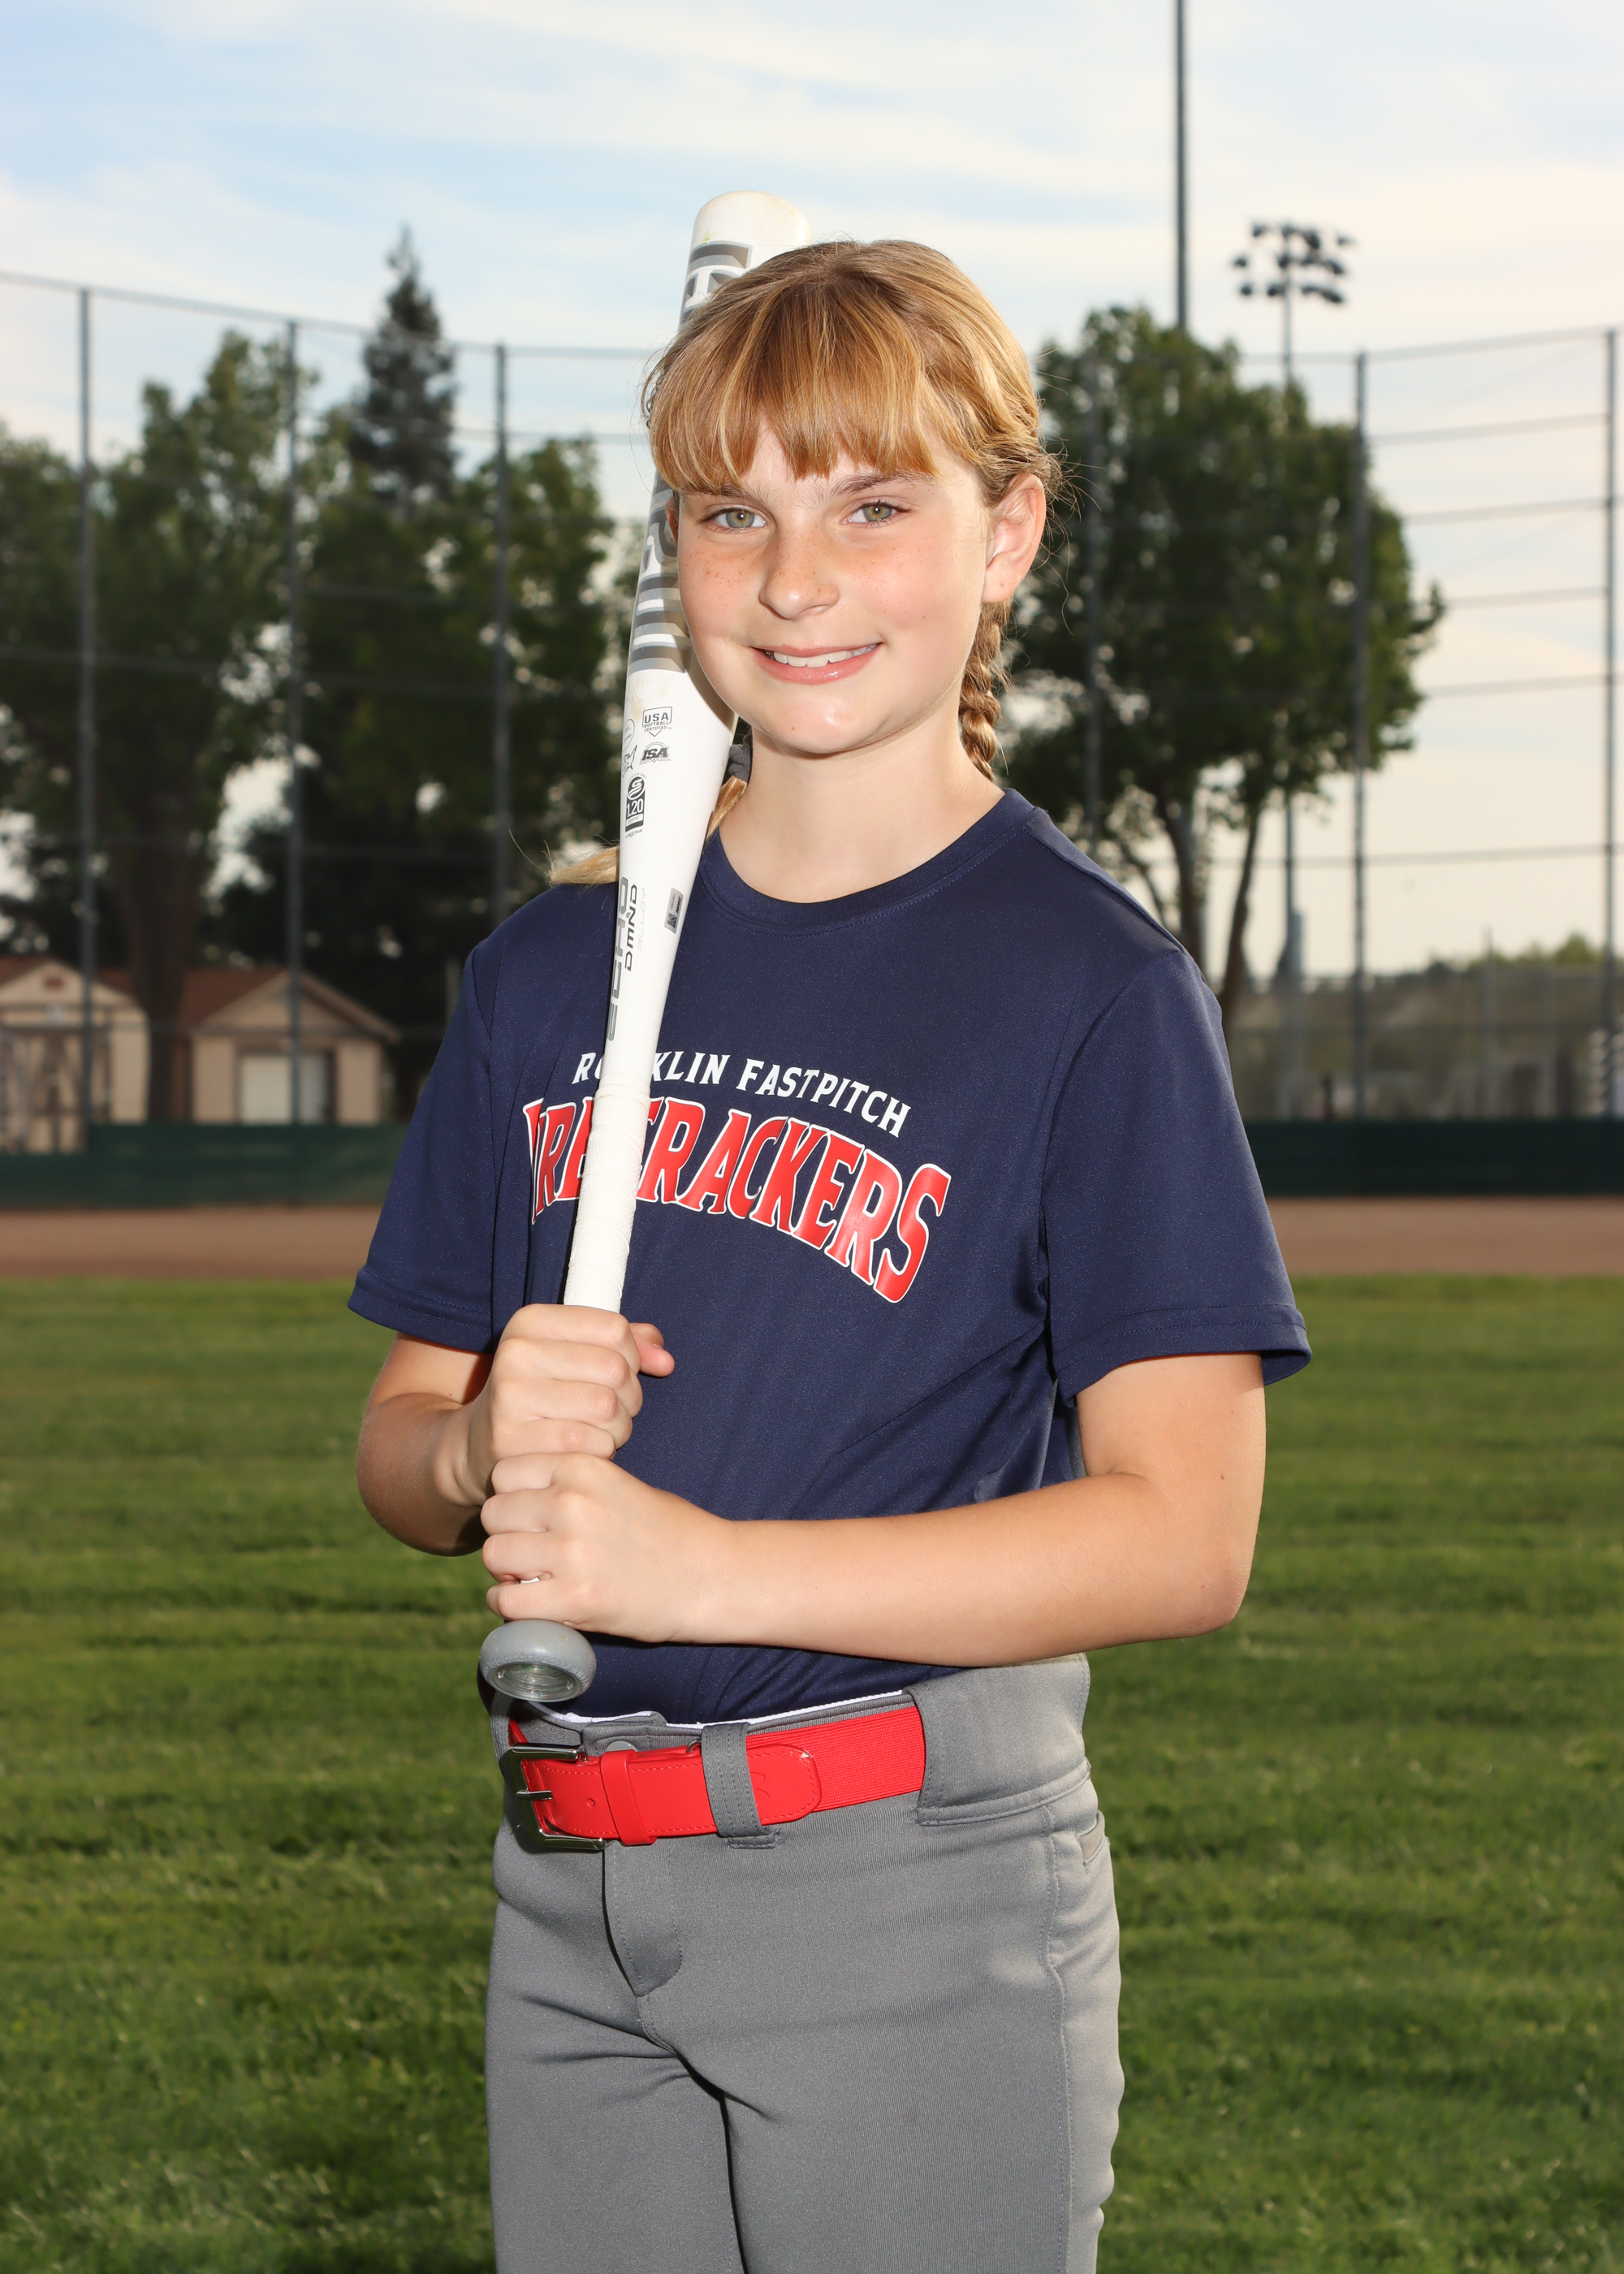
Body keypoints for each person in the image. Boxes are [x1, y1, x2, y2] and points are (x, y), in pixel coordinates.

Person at [351, 238, 1310, 2274]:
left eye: (872, 505)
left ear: (1007, 531)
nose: (795, 579)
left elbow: (1184, 1535)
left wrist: (704, 1570)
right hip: (567, 1875)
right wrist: (474, 1449)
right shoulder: (548, 975)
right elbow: (402, 1444)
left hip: (907, 1886)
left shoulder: (1085, 985)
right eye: (733, 513)